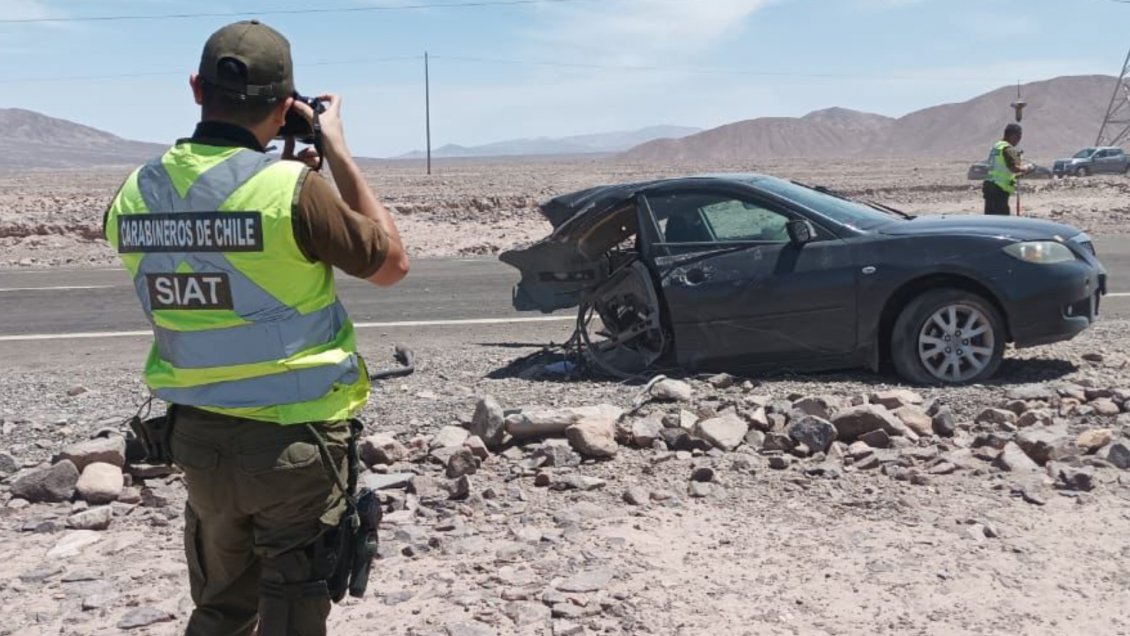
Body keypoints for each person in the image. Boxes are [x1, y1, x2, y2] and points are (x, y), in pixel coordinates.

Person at [102, 20, 409, 636]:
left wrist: (290, 171)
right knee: (293, 612)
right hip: (294, 448)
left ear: (196, 88)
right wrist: (337, 154)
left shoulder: (136, 191)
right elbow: (390, 264)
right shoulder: (291, 189)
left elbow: (221, 257)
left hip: (200, 447)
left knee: (220, 610)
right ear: (289, 103)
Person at [983, 123, 1033, 215]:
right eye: (1018, 137)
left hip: (990, 186)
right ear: (1013, 136)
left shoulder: (997, 146)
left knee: (990, 218)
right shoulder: (1007, 148)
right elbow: (1013, 168)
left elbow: (1001, 166)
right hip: (999, 189)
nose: (1018, 140)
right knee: (1002, 220)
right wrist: (1026, 168)